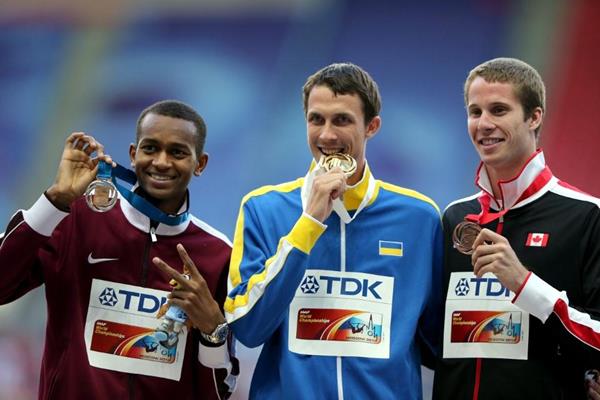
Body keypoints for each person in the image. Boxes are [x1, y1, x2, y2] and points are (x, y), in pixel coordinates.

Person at [224, 62, 443, 399]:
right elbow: (249, 328)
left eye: (342, 120)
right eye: (316, 119)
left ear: (372, 126)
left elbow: (438, 343)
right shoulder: (263, 208)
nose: (327, 135)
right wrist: (308, 224)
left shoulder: (420, 218)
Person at [0, 100, 237, 399]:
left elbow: (220, 390)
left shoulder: (218, 255)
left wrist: (213, 332)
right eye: (150, 148)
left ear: (199, 163)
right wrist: (55, 199)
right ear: (133, 154)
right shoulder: (75, 220)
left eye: (177, 152)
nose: (161, 162)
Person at [432, 58, 600, 399]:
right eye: (475, 111)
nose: (484, 124)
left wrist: (524, 285)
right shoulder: (455, 217)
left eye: (498, 110)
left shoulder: (585, 216)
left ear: (534, 117)